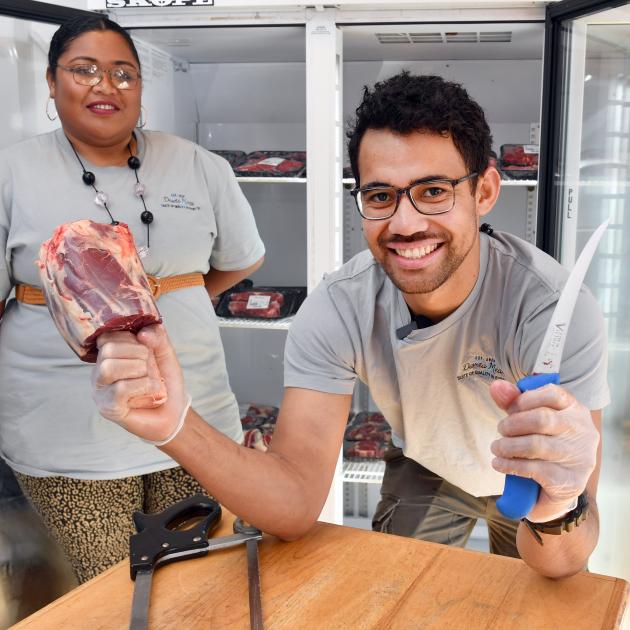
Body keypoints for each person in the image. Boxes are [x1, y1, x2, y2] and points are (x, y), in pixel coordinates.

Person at [90, 72, 608, 578]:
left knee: (537, 598)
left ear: (486, 191)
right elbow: (293, 504)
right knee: (391, 589)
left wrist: (559, 503)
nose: (405, 224)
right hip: (427, 460)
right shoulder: (340, 306)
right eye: (381, 196)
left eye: (433, 191)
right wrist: (177, 426)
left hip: (521, 469)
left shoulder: (550, 309)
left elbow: (566, 561)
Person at [0, 15, 264, 584]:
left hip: (197, 415)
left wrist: (164, 306)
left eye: (124, 73)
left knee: (202, 583)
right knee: (111, 592)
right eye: (84, 70)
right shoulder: (11, 172)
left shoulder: (198, 165)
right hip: (67, 434)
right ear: (51, 82)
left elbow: (242, 259)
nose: (106, 85)